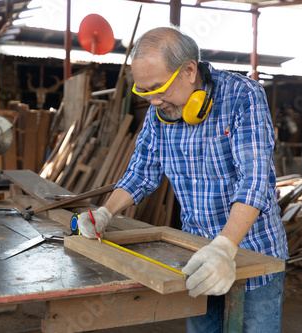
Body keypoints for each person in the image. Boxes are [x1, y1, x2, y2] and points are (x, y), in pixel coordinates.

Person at [77, 27, 288, 333]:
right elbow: (141, 171)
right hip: (194, 252)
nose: (154, 101)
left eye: (159, 89)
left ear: (190, 70)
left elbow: (255, 180)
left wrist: (224, 249)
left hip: (252, 252)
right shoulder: (160, 111)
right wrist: (105, 213)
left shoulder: (243, 96)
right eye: (144, 91)